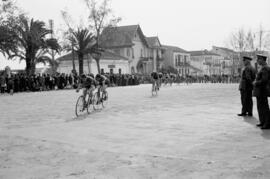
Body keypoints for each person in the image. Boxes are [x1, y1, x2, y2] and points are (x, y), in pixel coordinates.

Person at [253, 54, 270, 129]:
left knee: (264, 108)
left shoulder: (265, 68)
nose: (257, 60)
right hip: (260, 91)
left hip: (262, 91)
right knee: (260, 107)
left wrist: (256, 82)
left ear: (263, 60)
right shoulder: (263, 68)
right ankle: (263, 122)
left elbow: (264, 80)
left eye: (258, 59)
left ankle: (267, 123)